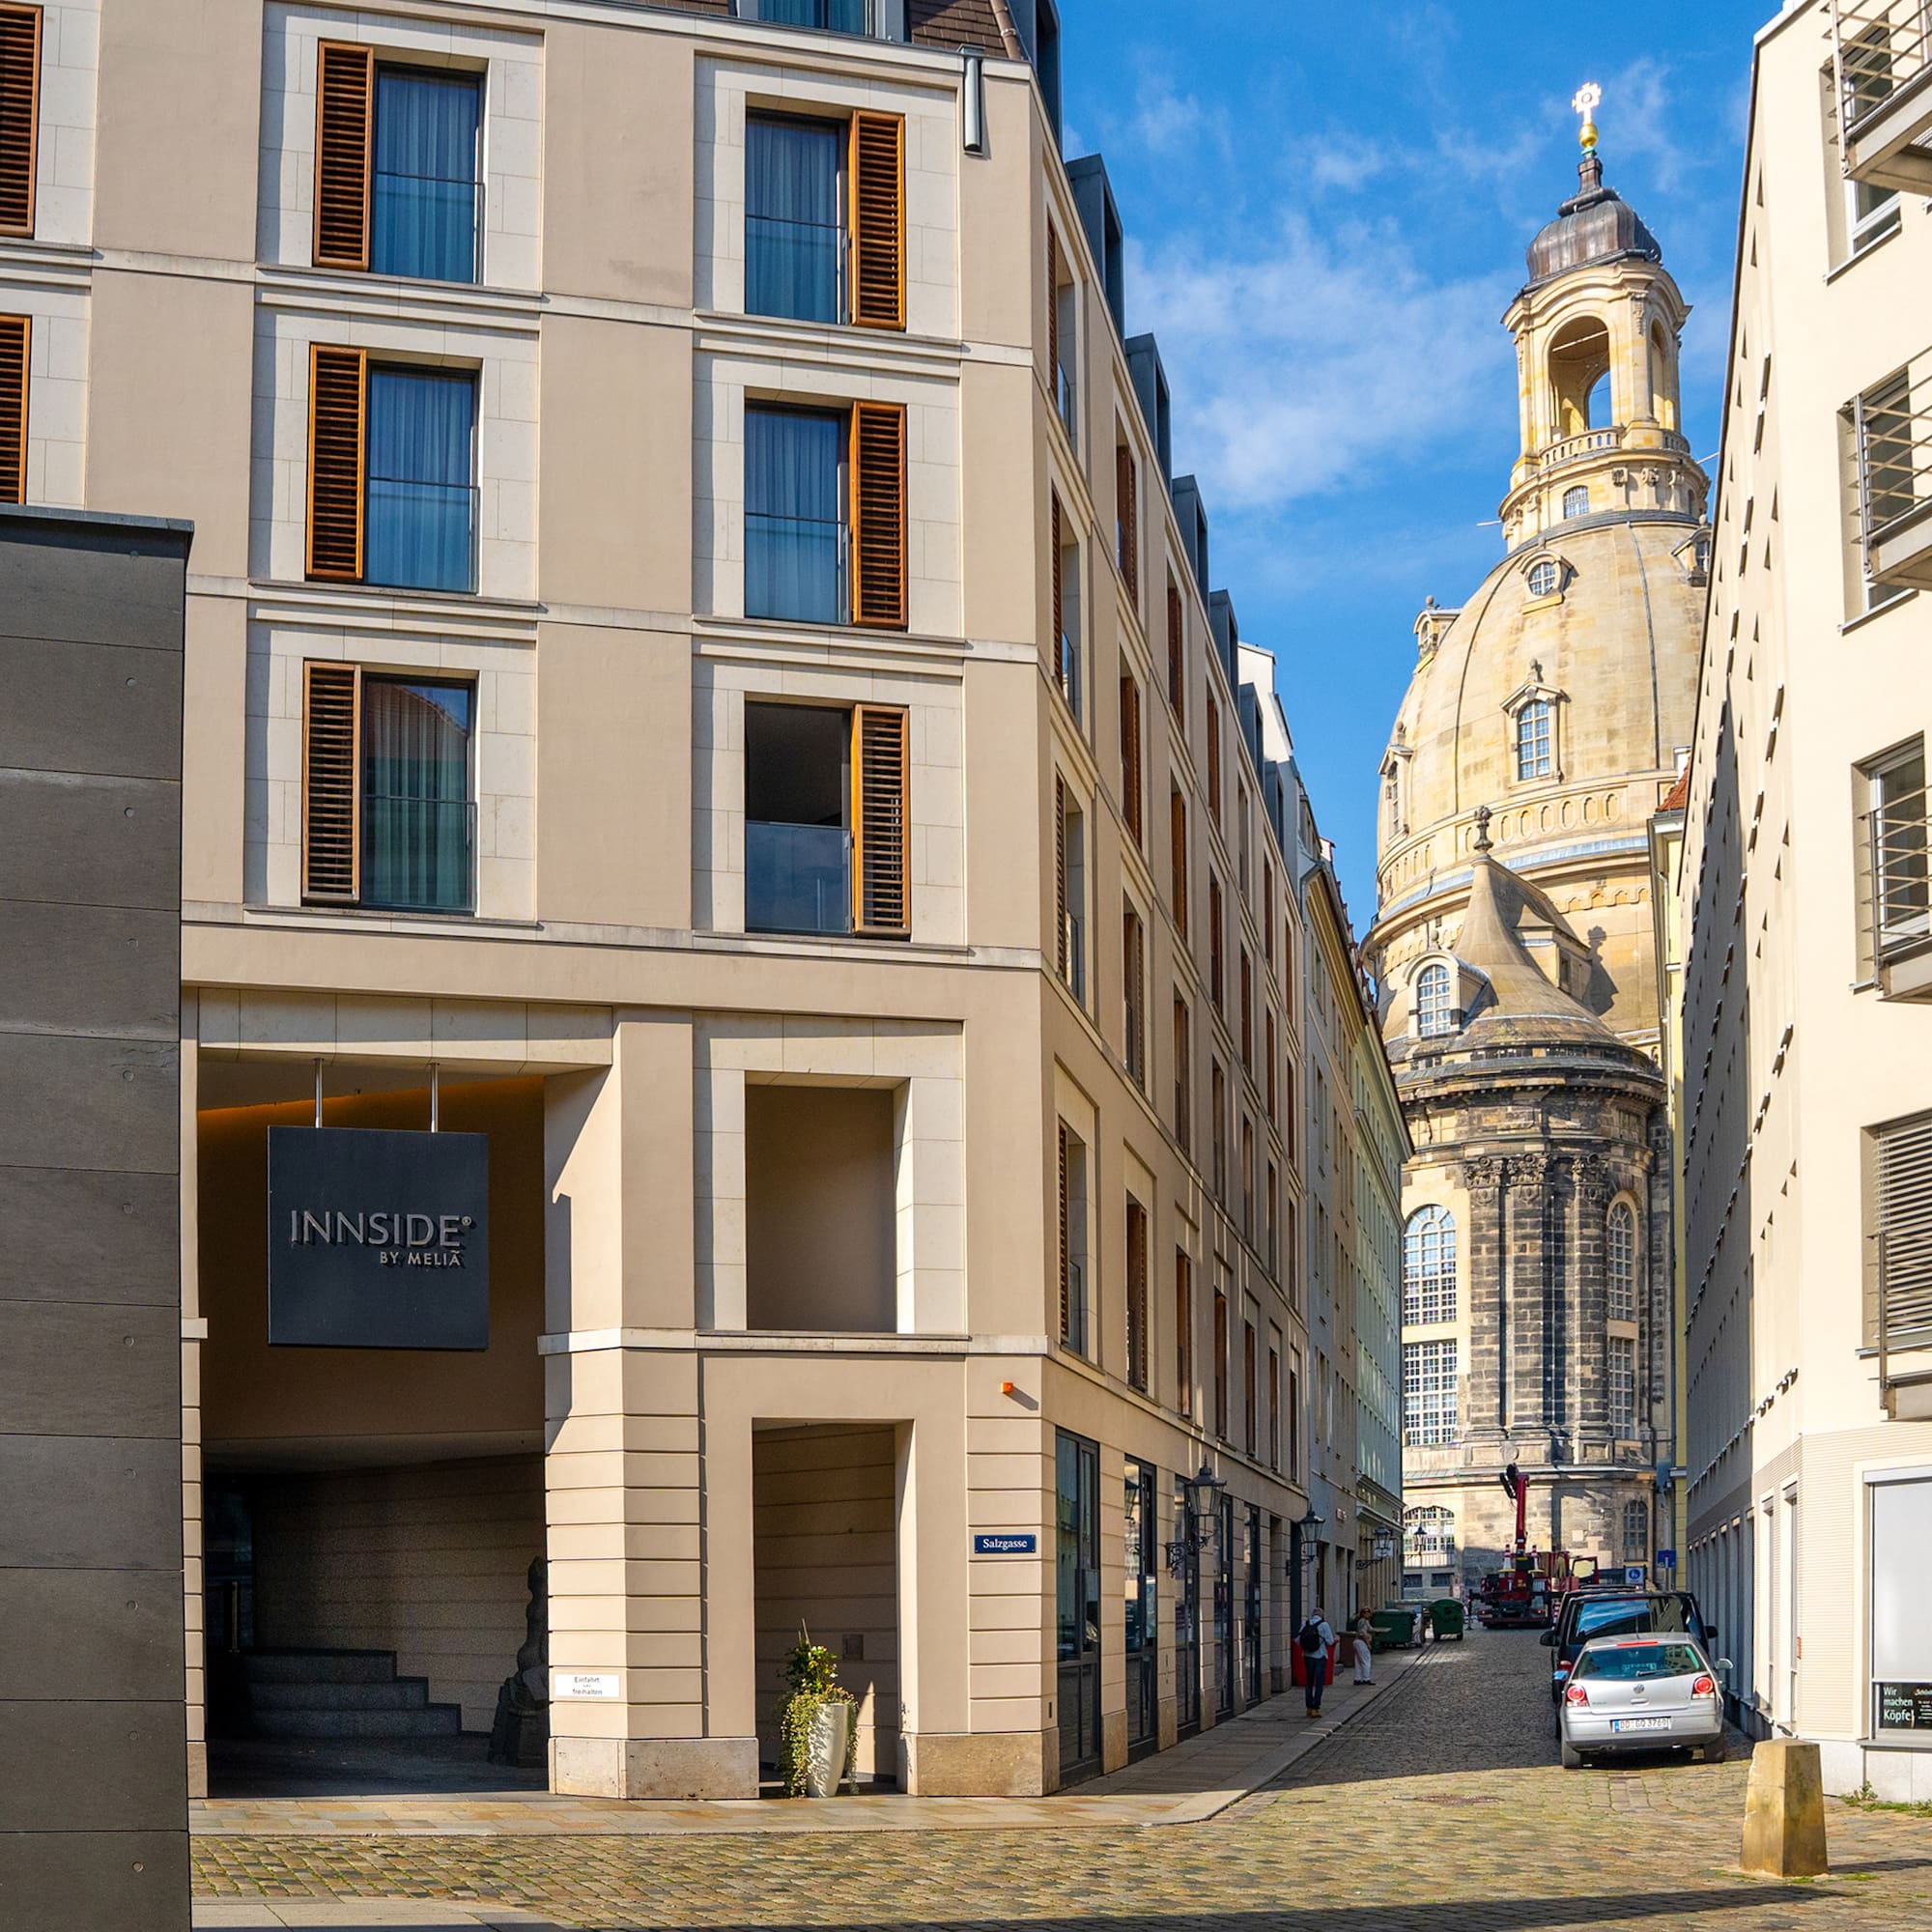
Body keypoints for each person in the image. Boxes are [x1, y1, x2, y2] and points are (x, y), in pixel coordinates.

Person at [1298, 1606, 1335, 1718]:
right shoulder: (1324, 1625)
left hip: (1307, 1656)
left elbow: (1298, 1640)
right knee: (1319, 1683)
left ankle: (1308, 1707)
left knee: (1309, 1682)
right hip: (1320, 1656)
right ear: (1322, 1615)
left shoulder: (1305, 1623)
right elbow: (1330, 1641)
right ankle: (1316, 1708)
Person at [1350, 1610, 1375, 1685]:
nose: (1369, 1613)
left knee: (1358, 1661)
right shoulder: (1363, 1621)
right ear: (1363, 1614)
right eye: (1367, 1612)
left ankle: (1357, 1678)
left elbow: (1370, 1629)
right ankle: (1366, 1678)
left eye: (1369, 1612)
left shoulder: (1364, 1621)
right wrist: (1368, 1644)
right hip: (1362, 1642)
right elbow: (1362, 1634)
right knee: (1366, 1660)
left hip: (1358, 1642)